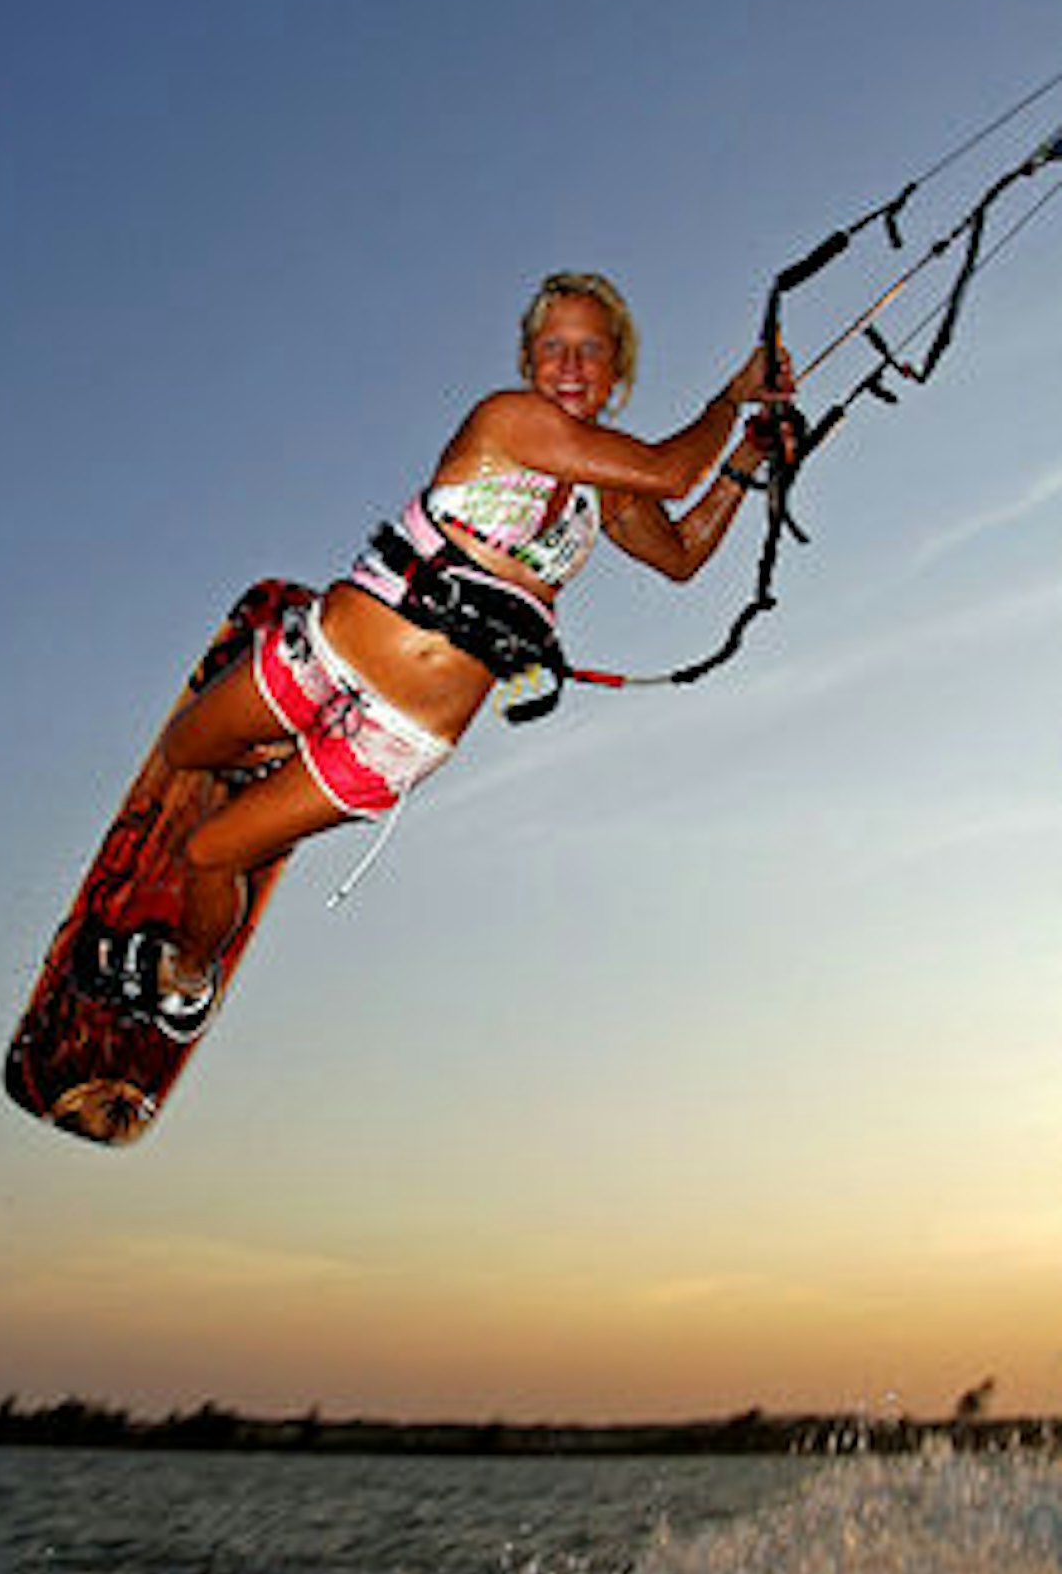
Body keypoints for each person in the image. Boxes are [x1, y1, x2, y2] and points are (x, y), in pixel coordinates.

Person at [77, 272, 794, 1040]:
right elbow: (670, 468)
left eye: (592, 350)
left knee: (208, 852)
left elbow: (680, 552)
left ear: (617, 371)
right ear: (527, 362)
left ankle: (183, 981)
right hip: (322, 649)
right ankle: (277, 759)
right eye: (554, 348)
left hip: (395, 736)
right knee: (185, 747)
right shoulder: (509, 419)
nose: (572, 366)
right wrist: (733, 397)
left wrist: (747, 458)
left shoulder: (606, 496)